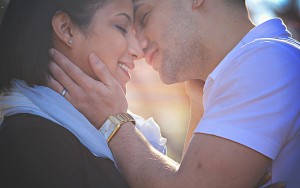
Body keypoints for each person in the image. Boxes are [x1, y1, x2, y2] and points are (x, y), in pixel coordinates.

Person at [48, 0, 300, 187]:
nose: (138, 45)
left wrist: (113, 121)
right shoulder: (257, 65)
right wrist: (200, 104)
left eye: (144, 18)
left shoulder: (266, 61)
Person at [0, 0, 168, 187]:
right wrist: (115, 121)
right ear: (66, 29)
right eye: (121, 28)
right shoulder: (33, 142)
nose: (138, 51)